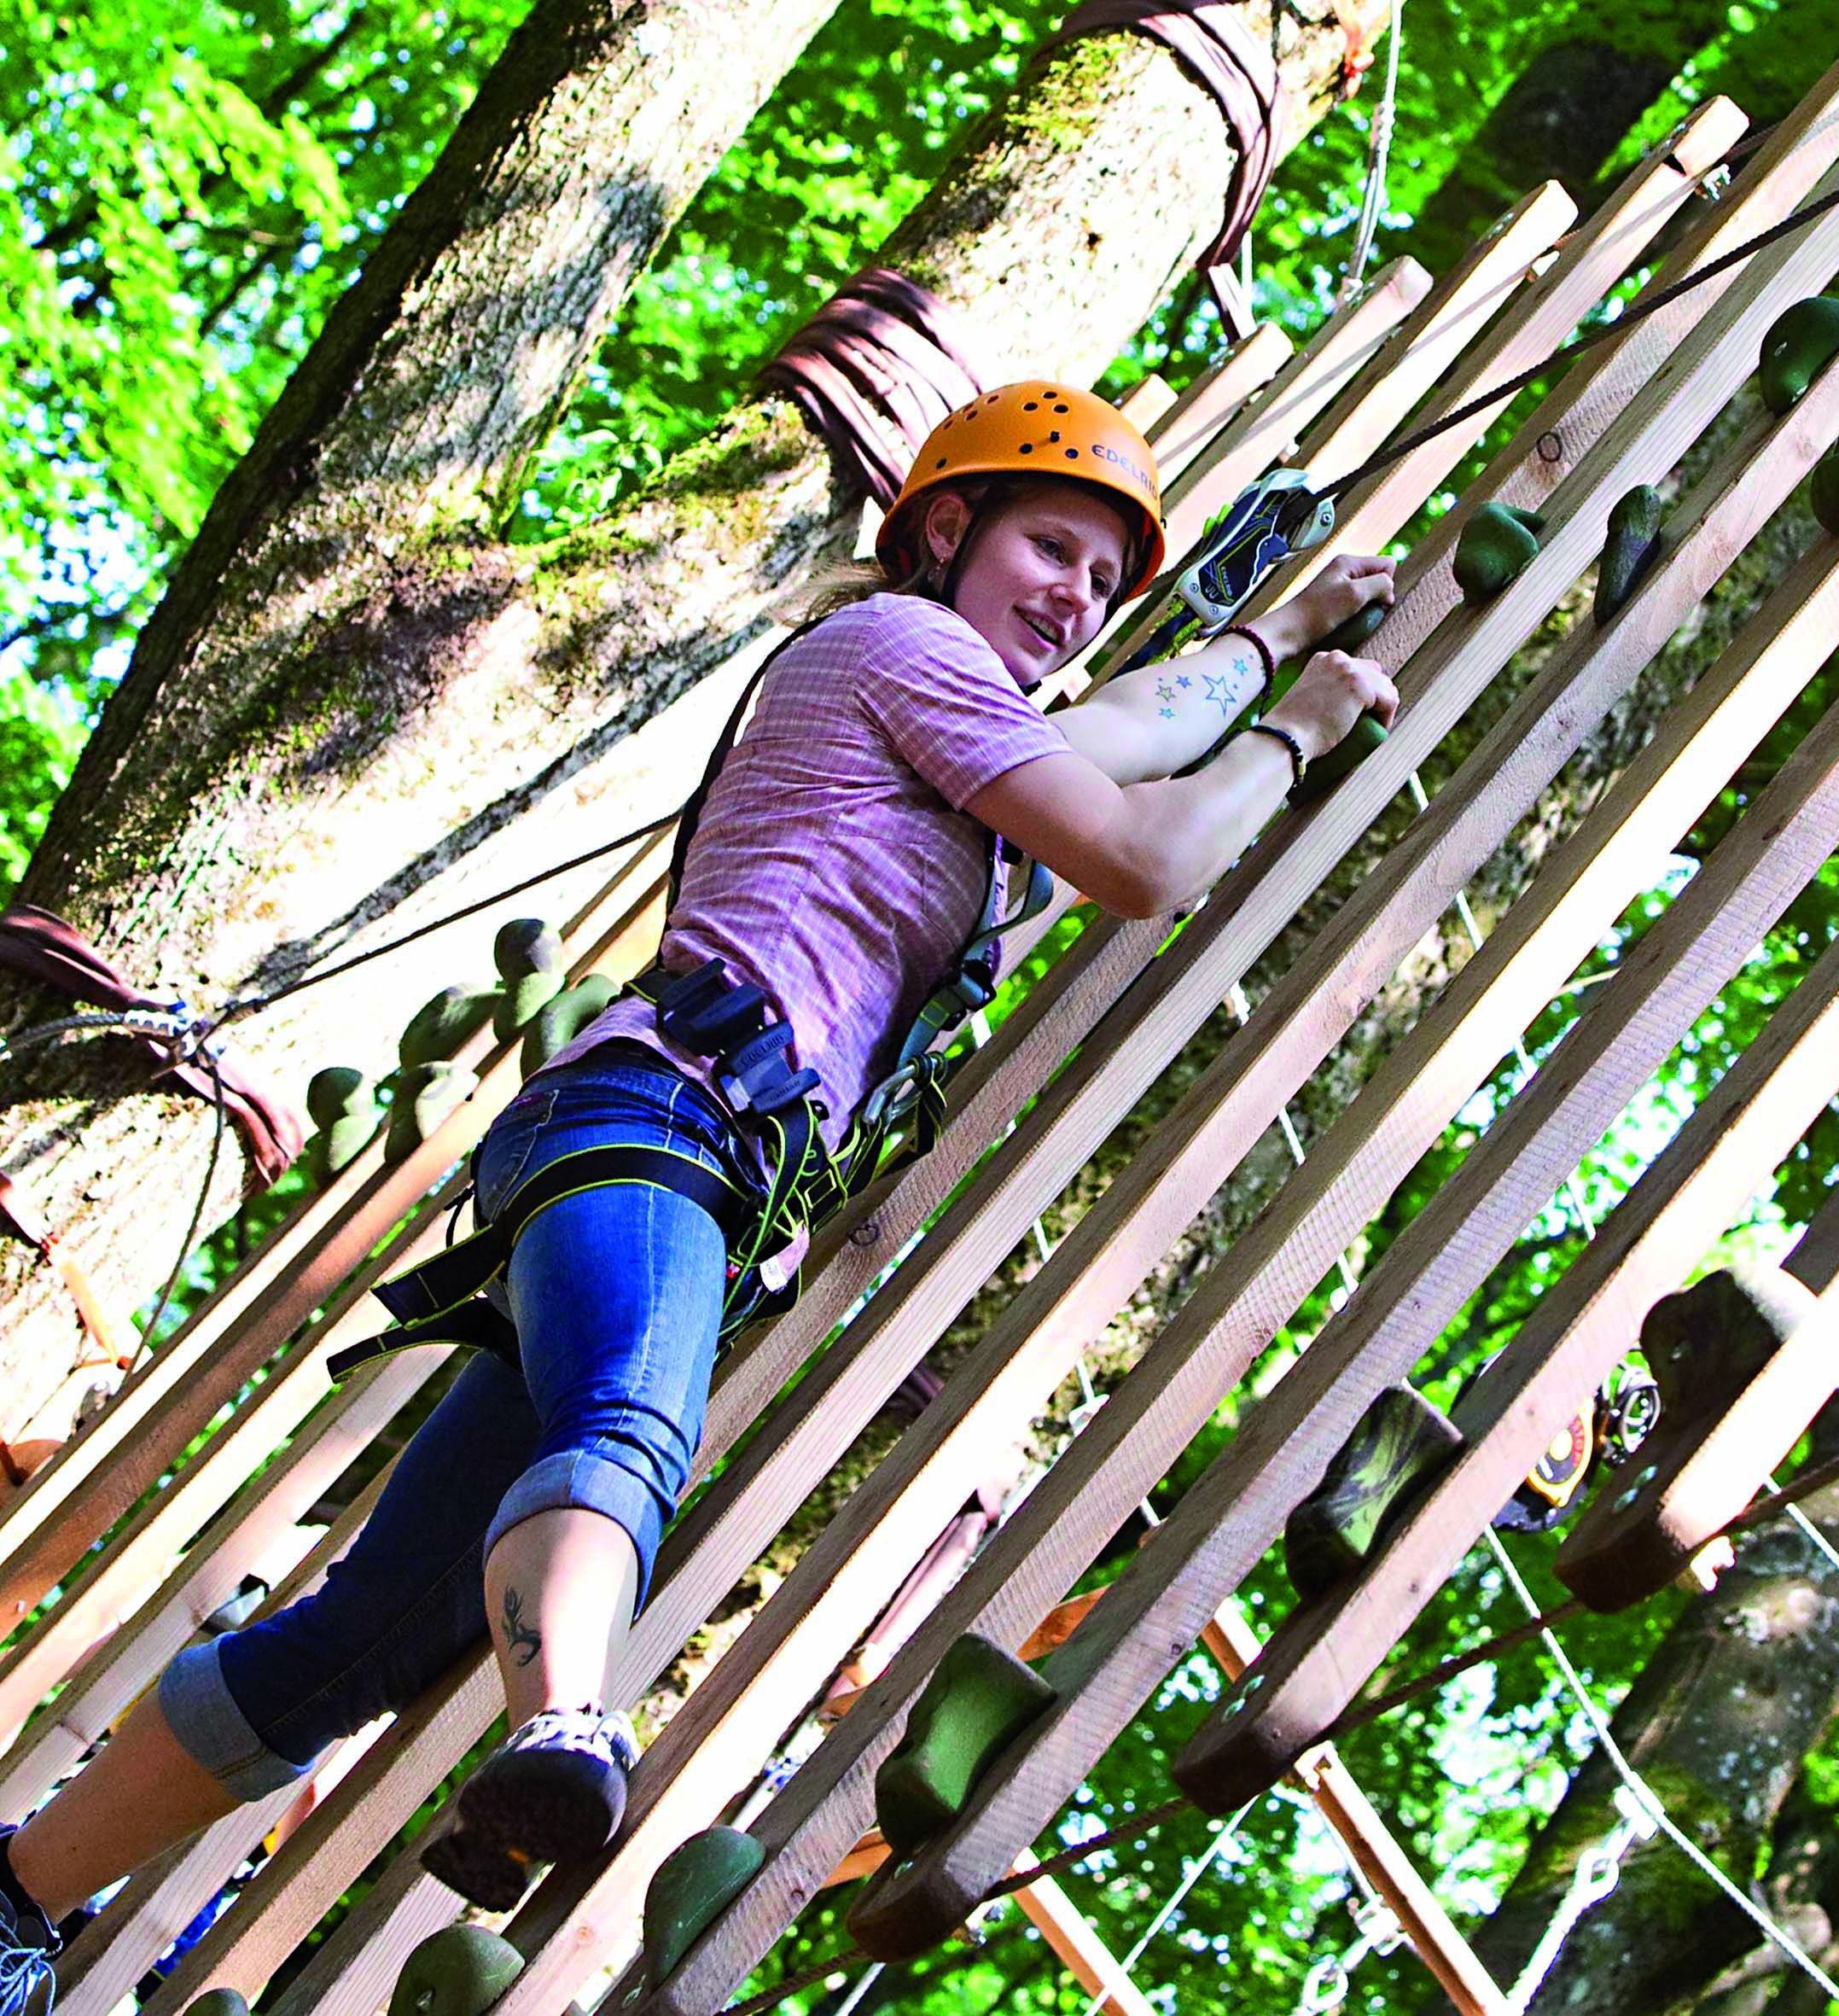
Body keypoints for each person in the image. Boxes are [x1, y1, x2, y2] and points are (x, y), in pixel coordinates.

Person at [0, 382, 1400, 1972]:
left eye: (1102, 580)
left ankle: (18, 1894)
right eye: (1053, 547)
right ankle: (571, 1727)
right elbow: (1145, 853)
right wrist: (1297, 727)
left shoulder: (960, 721)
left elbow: (1126, 732)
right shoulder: (902, 650)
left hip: (661, 1164)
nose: (1078, 599)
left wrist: (1281, 633)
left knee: (376, 1632)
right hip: (656, 1132)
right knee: (629, 1426)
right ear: (946, 529)